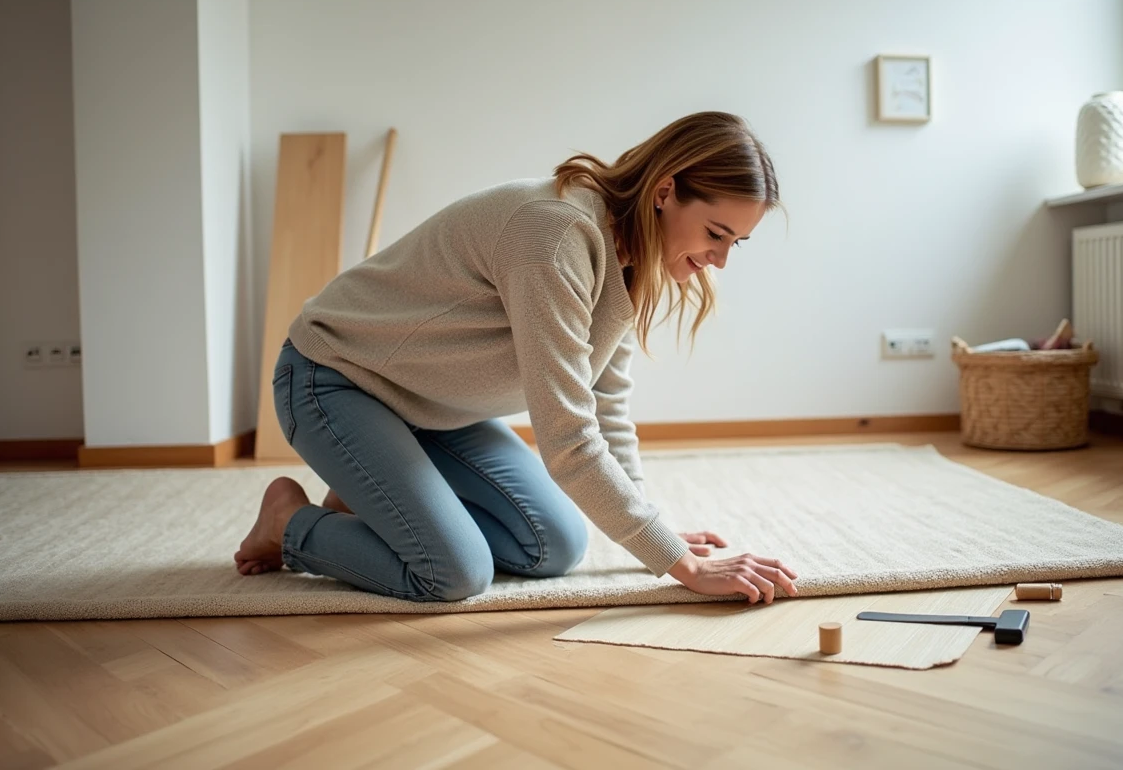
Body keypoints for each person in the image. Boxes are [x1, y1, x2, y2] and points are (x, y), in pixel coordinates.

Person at [234, 111, 800, 605]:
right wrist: (685, 566)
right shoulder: (556, 236)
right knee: (453, 572)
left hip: (435, 408)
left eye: (736, 244)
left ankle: (366, 501)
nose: (720, 261)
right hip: (335, 379)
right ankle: (288, 521)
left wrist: (659, 532)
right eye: (716, 234)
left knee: (557, 543)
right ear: (664, 191)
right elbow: (569, 439)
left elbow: (605, 404)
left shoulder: (636, 258)